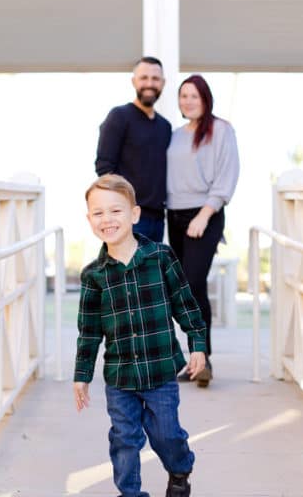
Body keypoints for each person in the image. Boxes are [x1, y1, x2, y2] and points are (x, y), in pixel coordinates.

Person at [73, 174, 207, 497]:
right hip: (120, 377)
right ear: (89, 220)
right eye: (99, 213)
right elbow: (89, 332)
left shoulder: (160, 258)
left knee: (166, 433)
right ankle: (130, 493)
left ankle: (179, 469)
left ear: (134, 214)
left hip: (160, 370)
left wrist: (197, 345)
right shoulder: (94, 276)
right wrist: (82, 376)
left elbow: (184, 303)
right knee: (124, 438)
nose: (107, 219)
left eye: (116, 211)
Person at [167, 75, 240, 388]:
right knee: (181, 290)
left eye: (194, 96)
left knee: (193, 283)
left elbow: (227, 175)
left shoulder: (221, 130)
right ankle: (194, 359)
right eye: (183, 96)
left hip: (205, 215)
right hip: (174, 215)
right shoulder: (173, 136)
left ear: (206, 98)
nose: (188, 101)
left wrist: (205, 213)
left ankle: (203, 357)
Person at [95, 56, 172, 242]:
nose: (149, 83)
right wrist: (121, 212)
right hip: (130, 217)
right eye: (143, 78)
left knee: (152, 272)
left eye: (155, 79)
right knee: (129, 271)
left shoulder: (165, 126)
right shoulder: (119, 117)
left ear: (162, 83)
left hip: (158, 219)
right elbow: (104, 168)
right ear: (133, 81)